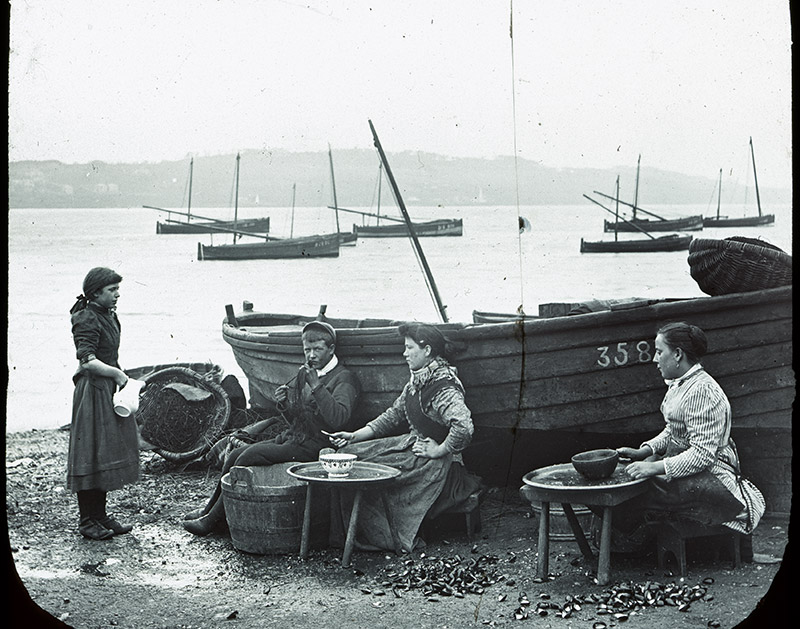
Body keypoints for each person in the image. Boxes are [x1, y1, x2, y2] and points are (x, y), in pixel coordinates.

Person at [183, 320, 361, 536]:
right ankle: (209, 511)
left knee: (248, 456)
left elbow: (339, 419)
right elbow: (298, 418)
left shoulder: (344, 378)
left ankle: (213, 521)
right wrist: (284, 404)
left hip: (319, 445)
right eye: (307, 350)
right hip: (296, 437)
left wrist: (316, 386)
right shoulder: (308, 373)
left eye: (317, 349)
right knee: (234, 456)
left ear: (331, 349)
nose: (311, 355)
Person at [327, 323, 482, 553]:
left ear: (427, 350)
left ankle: (381, 535)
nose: (404, 353)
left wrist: (439, 450)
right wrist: (354, 436)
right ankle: (348, 533)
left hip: (435, 464)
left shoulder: (443, 387)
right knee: (348, 456)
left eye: (409, 348)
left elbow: (464, 427)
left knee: (370, 475)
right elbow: (392, 416)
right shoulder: (418, 380)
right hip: (413, 449)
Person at [612, 321, 765, 544]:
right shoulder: (680, 384)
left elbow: (702, 455)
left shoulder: (702, 391)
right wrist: (644, 451)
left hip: (713, 475)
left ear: (677, 354)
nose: (654, 359)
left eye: (659, 352)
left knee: (634, 489)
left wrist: (654, 467)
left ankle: (635, 542)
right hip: (687, 466)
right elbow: (673, 430)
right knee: (631, 478)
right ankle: (636, 539)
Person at [68, 267, 139, 540]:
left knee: (103, 452)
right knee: (90, 452)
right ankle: (87, 520)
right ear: (96, 293)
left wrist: (120, 379)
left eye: (118, 289)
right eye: (112, 290)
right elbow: (87, 360)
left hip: (106, 388)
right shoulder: (86, 317)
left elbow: (107, 355)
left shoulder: (108, 314)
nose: (117, 294)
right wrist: (119, 375)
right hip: (92, 390)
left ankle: (100, 515)